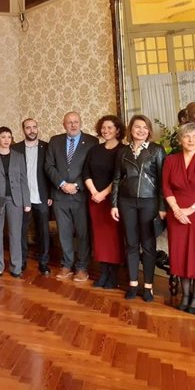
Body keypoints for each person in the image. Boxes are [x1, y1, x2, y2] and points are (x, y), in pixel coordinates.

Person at [111, 114, 166, 302]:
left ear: (149, 130)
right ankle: (133, 283)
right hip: (126, 202)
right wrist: (113, 204)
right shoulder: (123, 152)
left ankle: (148, 286)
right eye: (137, 127)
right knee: (131, 243)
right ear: (131, 130)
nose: (141, 130)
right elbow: (117, 180)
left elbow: (162, 182)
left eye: (145, 127)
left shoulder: (157, 150)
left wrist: (162, 206)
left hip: (149, 201)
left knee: (148, 245)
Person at [162, 122, 195, 315]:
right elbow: (166, 187)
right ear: (180, 139)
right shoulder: (171, 160)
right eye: (186, 136)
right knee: (180, 254)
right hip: (176, 214)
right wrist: (176, 209)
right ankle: (185, 295)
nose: (190, 140)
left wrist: (189, 210)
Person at [45, 111, 98, 282]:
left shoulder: (91, 141)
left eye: (76, 122)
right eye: (69, 122)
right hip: (60, 196)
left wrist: (76, 185)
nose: (73, 125)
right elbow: (49, 166)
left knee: (83, 233)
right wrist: (62, 184)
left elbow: (91, 168)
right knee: (64, 233)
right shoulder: (55, 141)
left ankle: (82, 267)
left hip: (80, 195)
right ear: (64, 125)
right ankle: (66, 265)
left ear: (81, 123)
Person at [0, 127, 31, 278]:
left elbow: (23, 180)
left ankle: (16, 267)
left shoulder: (18, 156)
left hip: (16, 199)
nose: (6, 140)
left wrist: (26, 201)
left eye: (9, 137)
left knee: (15, 235)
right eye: (3, 137)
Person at [83, 115, 125, 289]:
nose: (106, 131)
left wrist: (104, 194)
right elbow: (86, 172)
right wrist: (94, 192)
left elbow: (121, 176)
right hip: (95, 200)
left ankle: (113, 275)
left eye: (110, 127)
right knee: (99, 239)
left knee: (114, 238)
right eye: (103, 128)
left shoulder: (123, 150)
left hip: (113, 201)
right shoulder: (94, 150)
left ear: (117, 130)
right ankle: (103, 273)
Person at [12, 118, 52, 275]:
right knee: (21, 231)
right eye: (28, 128)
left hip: (41, 196)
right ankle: (21, 261)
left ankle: (43, 261)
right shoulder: (15, 148)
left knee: (43, 231)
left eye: (34, 127)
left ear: (37, 128)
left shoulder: (47, 147)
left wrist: (50, 194)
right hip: (22, 197)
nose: (31, 130)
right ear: (23, 130)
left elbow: (51, 172)